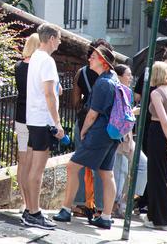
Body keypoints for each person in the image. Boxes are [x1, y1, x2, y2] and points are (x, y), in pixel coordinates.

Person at [53, 45, 120, 229]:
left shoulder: (102, 83)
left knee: (72, 166)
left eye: (95, 57)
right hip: (112, 133)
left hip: (98, 133)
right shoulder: (113, 79)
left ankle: (66, 209)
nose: (90, 58)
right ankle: (105, 216)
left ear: (104, 63)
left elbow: (92, 113)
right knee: (107, 174)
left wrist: (84, 131)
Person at [134, 45, 167, 214]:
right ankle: (155, 207)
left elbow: (137, 98)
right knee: (163, 171)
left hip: (150, 127)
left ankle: (148, 204)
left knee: (151, 167)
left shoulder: (147, 73)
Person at [22, 23, 64, 230]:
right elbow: (49, 93)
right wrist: (56, 122)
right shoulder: (47, 60)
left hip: (34, 118)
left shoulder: (36, 57)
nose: (60, 42)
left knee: (31, 167)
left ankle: (29, 209)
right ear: (51, 39)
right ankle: (34, 213)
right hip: (42, 120)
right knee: (37, 171)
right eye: (59, 38)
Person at [70, 39, 112, 217]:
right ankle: (101, 207)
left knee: (78, 166)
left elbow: (74, 101)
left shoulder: (82, 73)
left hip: (85, 121)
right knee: (103, 170)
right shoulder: (112, 77)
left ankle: (80, 204)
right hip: (106, 126)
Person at [142, 61, 167, 231]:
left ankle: (162, 220)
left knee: (156, 177)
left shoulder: (156, 93)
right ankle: (154, 216)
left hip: (158, 133)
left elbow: (163, 119)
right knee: (162, 176)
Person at [111, 64, 147, 218]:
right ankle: (117, 204)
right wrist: (133, 112)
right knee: (119, 171)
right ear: (119, 76)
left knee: (141, 164)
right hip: (119, 137)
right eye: (128, 74)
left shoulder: (127, 91)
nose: (131, 77)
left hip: (127, 137)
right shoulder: (116, 89)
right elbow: (119, 113)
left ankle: (125, 201)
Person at [13, 33, 40, 214]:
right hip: (34, 118)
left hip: (20, 116)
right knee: (32, 163)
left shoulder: (18, 66)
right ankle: (30, 204)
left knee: (22, 162)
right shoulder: (38, 68)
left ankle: (24, 201)